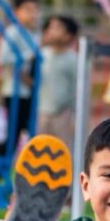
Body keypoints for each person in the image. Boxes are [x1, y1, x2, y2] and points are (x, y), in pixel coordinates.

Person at [0, 0, 41, 143]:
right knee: (13, 135)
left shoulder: (35, 34)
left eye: (35, 10)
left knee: (32, 132)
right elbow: (3, 59)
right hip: (15, 91)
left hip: (30, 92)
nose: (33, 14)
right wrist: (28, 55)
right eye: (28, 10)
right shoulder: (13, 32)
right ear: (16, 12)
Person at [36, 14, 79, 148]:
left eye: (57, 28)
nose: (51, 31)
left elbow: (77, 89)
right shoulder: (42, 55)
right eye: (50, 27)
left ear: (69, 35)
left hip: (63, 114)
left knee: (62, 150)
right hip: (42, 113)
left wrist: (75, 118)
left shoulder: (73, 59)